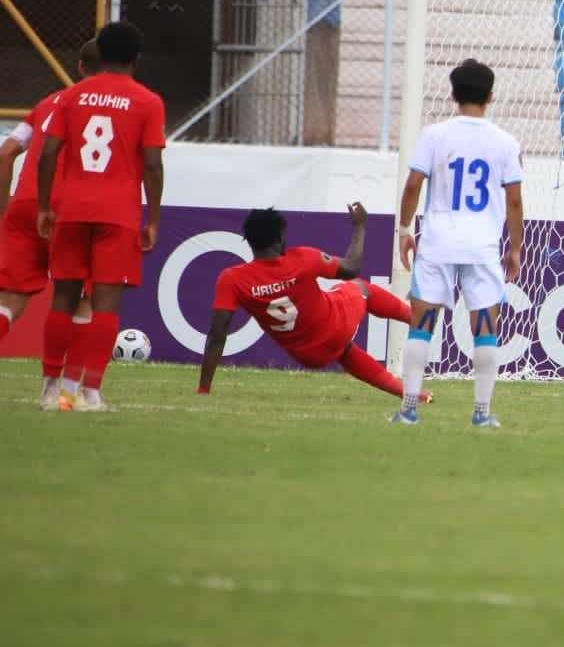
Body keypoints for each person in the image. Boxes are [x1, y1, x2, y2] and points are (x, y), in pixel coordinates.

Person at [34, 21, 165, 413]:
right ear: (136, 59)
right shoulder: (147, 101)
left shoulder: (71, 97)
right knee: (106, 304)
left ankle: (47, 389)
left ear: (98, 54)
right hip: (117, 213)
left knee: (62, 298)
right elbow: (153, 164)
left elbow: (47, 153)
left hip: (72, 209)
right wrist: (153, 217)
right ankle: (90, 392)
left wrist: (44, 206)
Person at [393, 59, 524, 428]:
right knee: (485, 328)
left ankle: (408, 410)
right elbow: (513, 200)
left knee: (421, 326)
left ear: (452, 94)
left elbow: (414, 185)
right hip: (481, 246)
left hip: (437, 243)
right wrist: (515, 248)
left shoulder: (435, 136)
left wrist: (405, 231)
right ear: (491, 95)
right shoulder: (505, 142)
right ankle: (482, 414)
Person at [198, 203, 427, 401]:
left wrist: (204, 388)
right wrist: (360, 226)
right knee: (359, 287)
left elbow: (218, 334)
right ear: (279, 237)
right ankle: (418, 320)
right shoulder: (302, 259)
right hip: (336, 325)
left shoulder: (232, 279)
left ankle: (407, 393)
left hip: (308, 356)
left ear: (249, 241)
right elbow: (352, 266)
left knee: (344, 351)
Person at [0, 39, 99, 403]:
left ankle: (57, 390)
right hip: (70, 209)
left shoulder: (46, 104)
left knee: (9, 301)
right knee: (80, 299)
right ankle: (61, 392)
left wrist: (5, 207)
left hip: (25, 205)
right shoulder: (107, 106)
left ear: (79, 67)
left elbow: (6, 152)